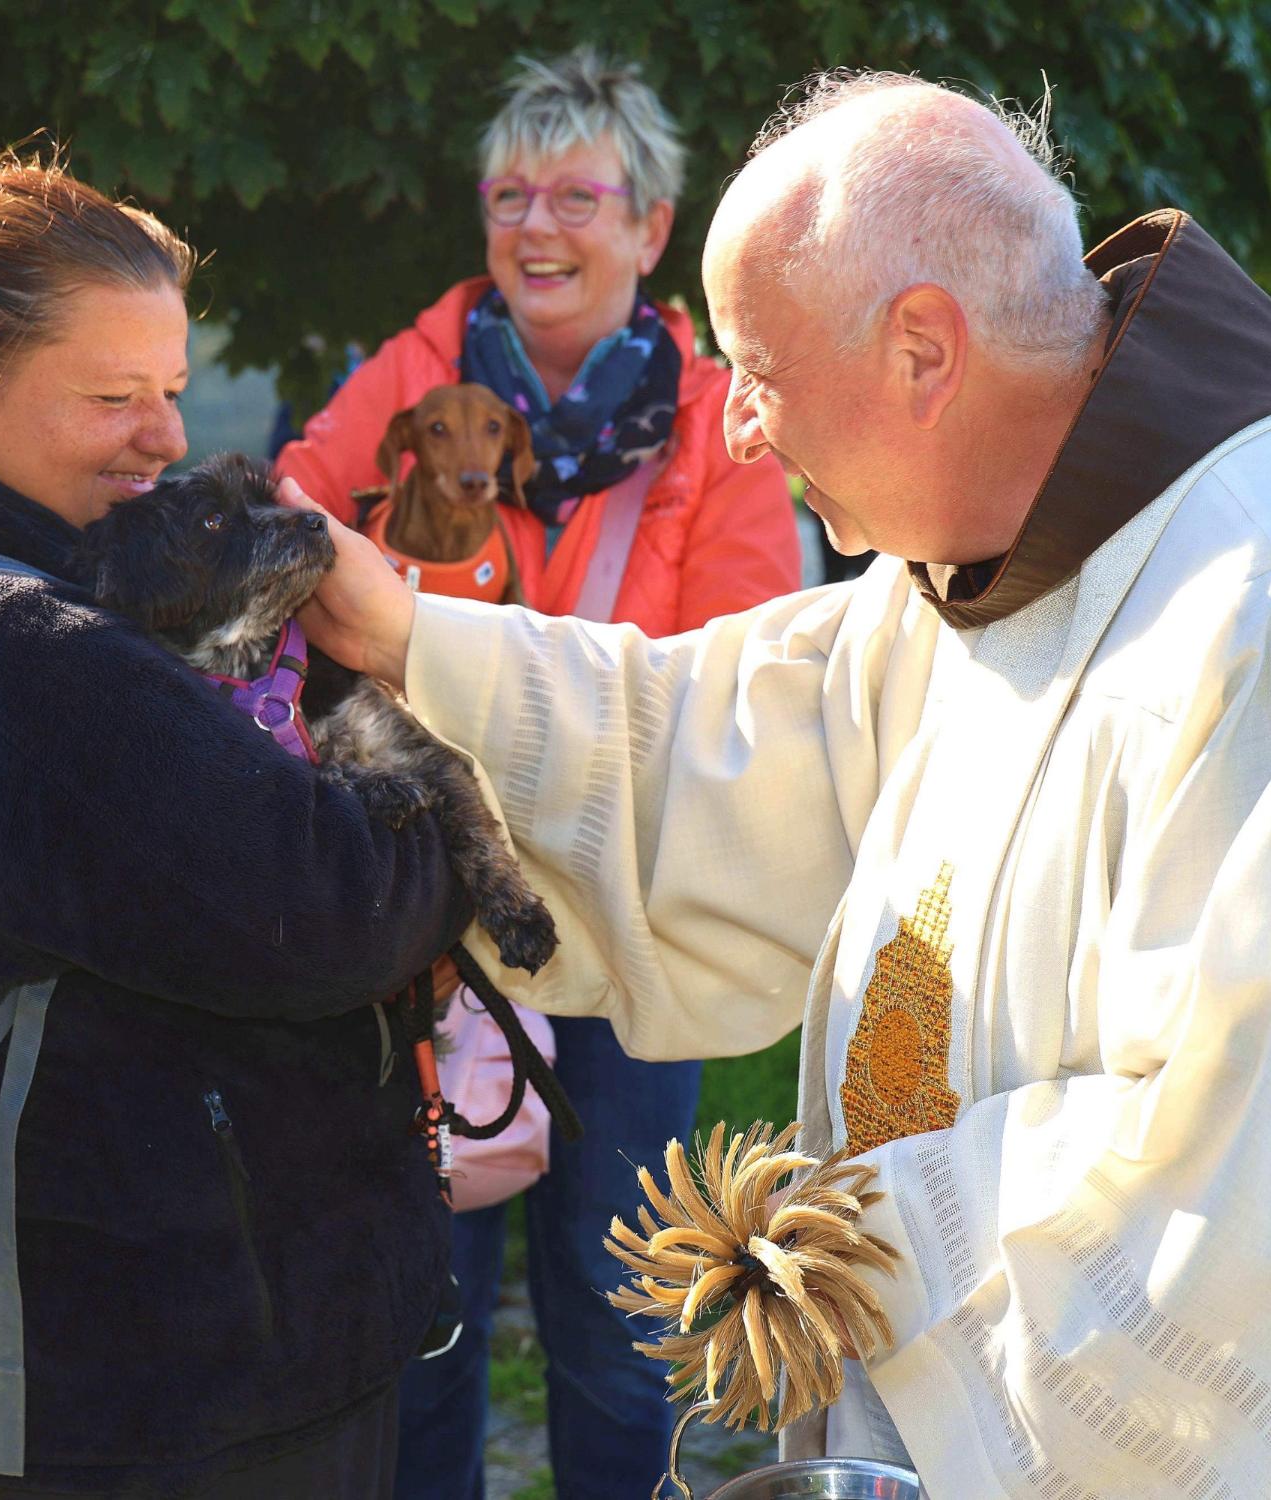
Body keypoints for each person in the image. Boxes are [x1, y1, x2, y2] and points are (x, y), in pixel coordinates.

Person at [295, 71, 1271, 1492]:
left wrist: (864, 1240)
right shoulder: (1009, 553)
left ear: (922, 350)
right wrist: (406, 641)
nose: (742, 427)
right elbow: (724, 747)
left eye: (758, 370)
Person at [0, 144, 468, 1499]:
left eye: (170, 390)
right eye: (115, 398)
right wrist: (423, 763)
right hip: (185, 1376)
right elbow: (332, 908)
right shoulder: (11, 652)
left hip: (31, 1337)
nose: (167, 439)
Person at [275, 48, 801, 1498]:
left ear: (650, 225)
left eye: (577, 196)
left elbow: (742, 674)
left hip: (633, 922)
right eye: (509, 196)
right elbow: (292, 527)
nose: (535, 226)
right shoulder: (413, 373)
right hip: (431, 919)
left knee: (620, 1315)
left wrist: (477, 670)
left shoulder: (720, 417)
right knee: (425, 1310)